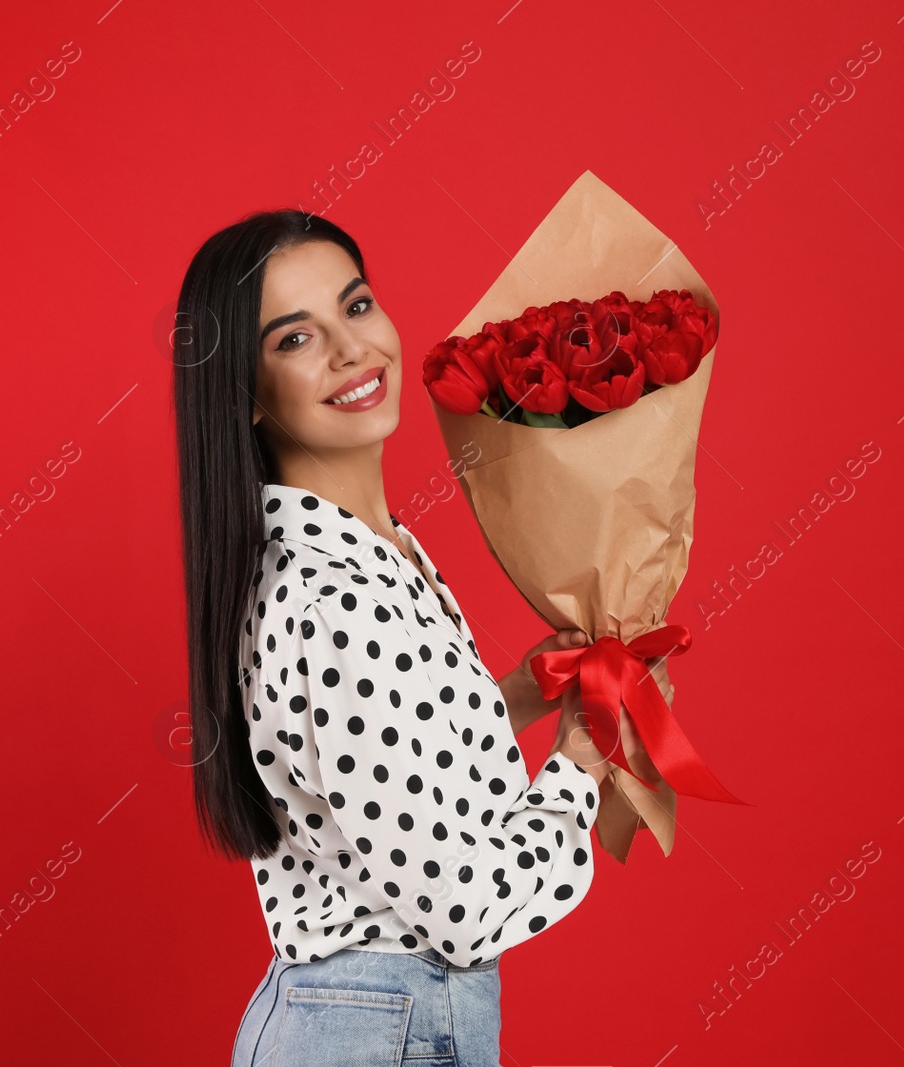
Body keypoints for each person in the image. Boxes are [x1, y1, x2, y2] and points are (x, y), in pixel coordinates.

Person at [169, 208, 610, 1066]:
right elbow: (468, 905)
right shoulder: (331, 595)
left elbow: (405, 768)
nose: (349, 350)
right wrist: (583, 759)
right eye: (295, 339)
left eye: (358, 306)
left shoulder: (363, 554)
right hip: (379, 1024)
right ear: (246, 394)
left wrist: (519, 689)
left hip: (360, 1020)